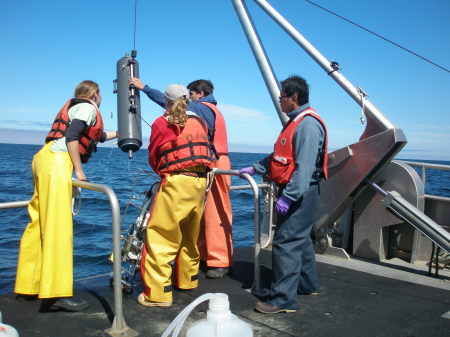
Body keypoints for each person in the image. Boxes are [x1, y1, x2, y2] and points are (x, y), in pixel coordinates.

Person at [14, 80, 118, 312]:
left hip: (43, 158)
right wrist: (79, 170)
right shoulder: (89, 107)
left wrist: (121, 134)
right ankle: (55, 293)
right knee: (58, 228)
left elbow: (96, 136)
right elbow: (72, 136)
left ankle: (28, 286)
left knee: (38, 224)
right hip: (58, 163)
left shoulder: (75, 106)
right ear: (96, 94)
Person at [238, 75, 328, 314]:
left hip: (302, 192)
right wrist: (256, 167)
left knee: (285, 242)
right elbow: (280, 157)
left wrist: (289, 196)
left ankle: (282, 300)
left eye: (282, 97)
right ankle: (307, 286)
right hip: (300, 191)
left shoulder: (307, 125)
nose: (279, 101)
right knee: (301, 240)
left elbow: (305, 167)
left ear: (294, 98)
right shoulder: (296, 121)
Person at [130, 77, 233, 279]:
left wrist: (145, 88)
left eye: (191, 94)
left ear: (200, 94)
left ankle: (219, 262)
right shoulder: (211, 110)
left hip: (212, 166)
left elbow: (173, 103)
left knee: (214, 215)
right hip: (213, 163)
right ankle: (202, 259)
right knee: (203, 217)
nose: (188, 99)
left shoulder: (200, 108)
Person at [138, 84, 214, 307]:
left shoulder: (163, 122)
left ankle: (157, 294)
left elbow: (154, 155)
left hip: (177, 182)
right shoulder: (199, 121)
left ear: (167, 100)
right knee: (190, 235)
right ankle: (188, 280)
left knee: (160, 237)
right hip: (200, 183)